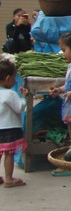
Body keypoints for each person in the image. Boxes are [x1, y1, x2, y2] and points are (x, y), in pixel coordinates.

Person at [0, 60, 29, 188]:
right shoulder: (10, 94)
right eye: (14, 77)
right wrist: (24, 97)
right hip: (9, 129)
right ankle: (8, 178)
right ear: (7, 78)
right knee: (9, 154)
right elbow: (19, 108)